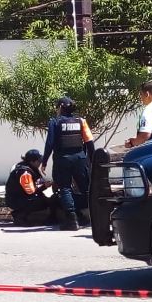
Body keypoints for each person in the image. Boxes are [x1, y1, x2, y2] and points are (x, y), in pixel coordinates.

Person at [42, 96, 94, 231]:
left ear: (60, 107)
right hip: (80, 159)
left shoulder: (55, 122)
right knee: (86, 188)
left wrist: (44, 161)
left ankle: (72, 220)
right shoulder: (81, 121)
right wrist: (93, 160)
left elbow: (50, 143)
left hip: (62, 159)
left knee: (65, 188)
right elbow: (89, 142)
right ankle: (95, 216)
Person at [5, 149, 59, 226]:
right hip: (16, 200)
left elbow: (37, 183)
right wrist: (44, 186)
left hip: (19, 198)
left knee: (45, 198)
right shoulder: (25, 173)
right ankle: (19, 216)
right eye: (39, 161)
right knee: (43, 202)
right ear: (32, 161)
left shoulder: (29, 168)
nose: (40, 163)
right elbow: (30, 191)